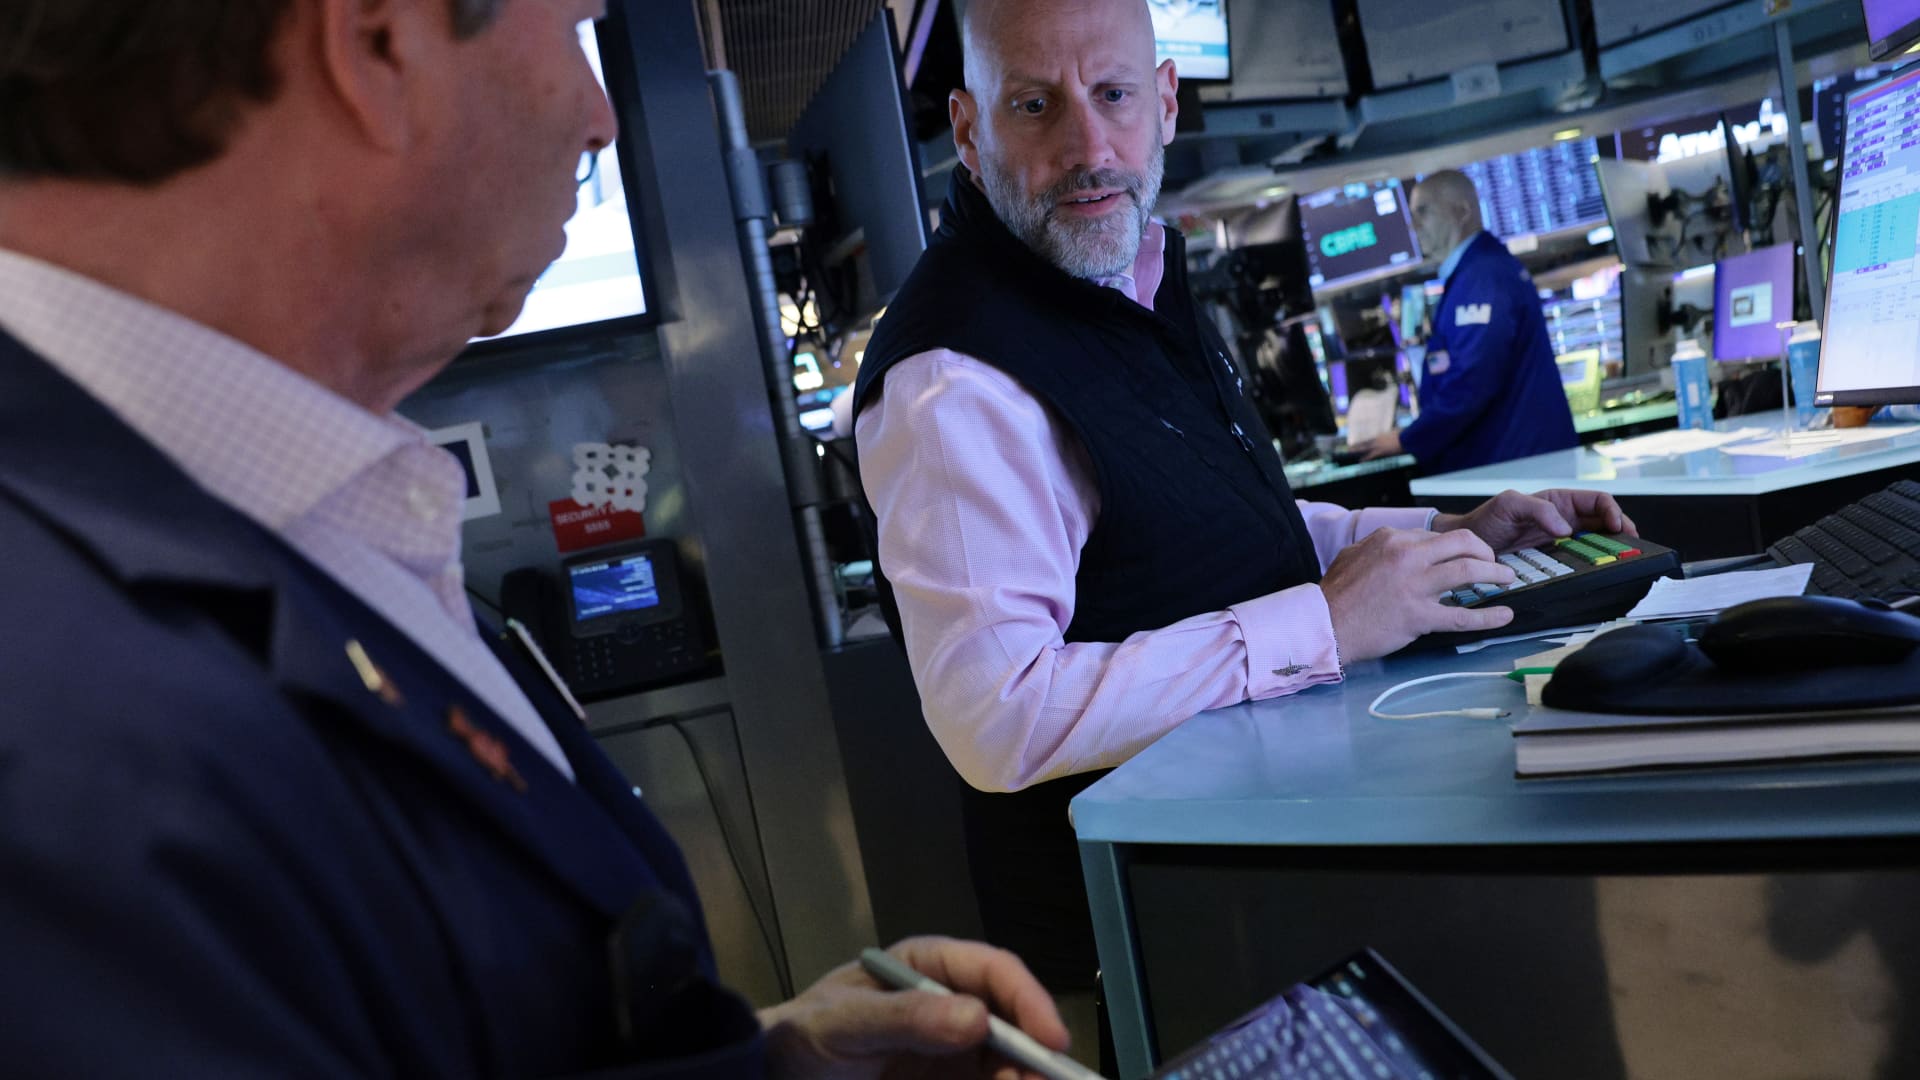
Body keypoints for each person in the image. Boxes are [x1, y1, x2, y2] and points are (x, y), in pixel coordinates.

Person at [0, 1, 1071, 1076]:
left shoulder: (288, 500)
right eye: (571, 26)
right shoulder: (59, 715)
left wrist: (765, 1061)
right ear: (376, 44)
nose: (600, 117)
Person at [850, 0, 1635, 1005]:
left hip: (1270, 870)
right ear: (968, 130)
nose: (1089, 148)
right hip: (1156, 939)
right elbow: (999, 716)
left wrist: (1438, 538)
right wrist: (1324, 624)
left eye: (1113, 95)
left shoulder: (1131, 277)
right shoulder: (955, 377)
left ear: (1165, 103)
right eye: (1036, 106)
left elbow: (1206, 524)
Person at [1352, 170, 1579, 472]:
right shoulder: (1477, 272)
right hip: (1517, 462)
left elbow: (1472, 380)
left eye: (1423, 212)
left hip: (1518, 466)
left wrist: (1408, 438)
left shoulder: (1483, 277)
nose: (1413, 226)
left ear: (1462, 212)